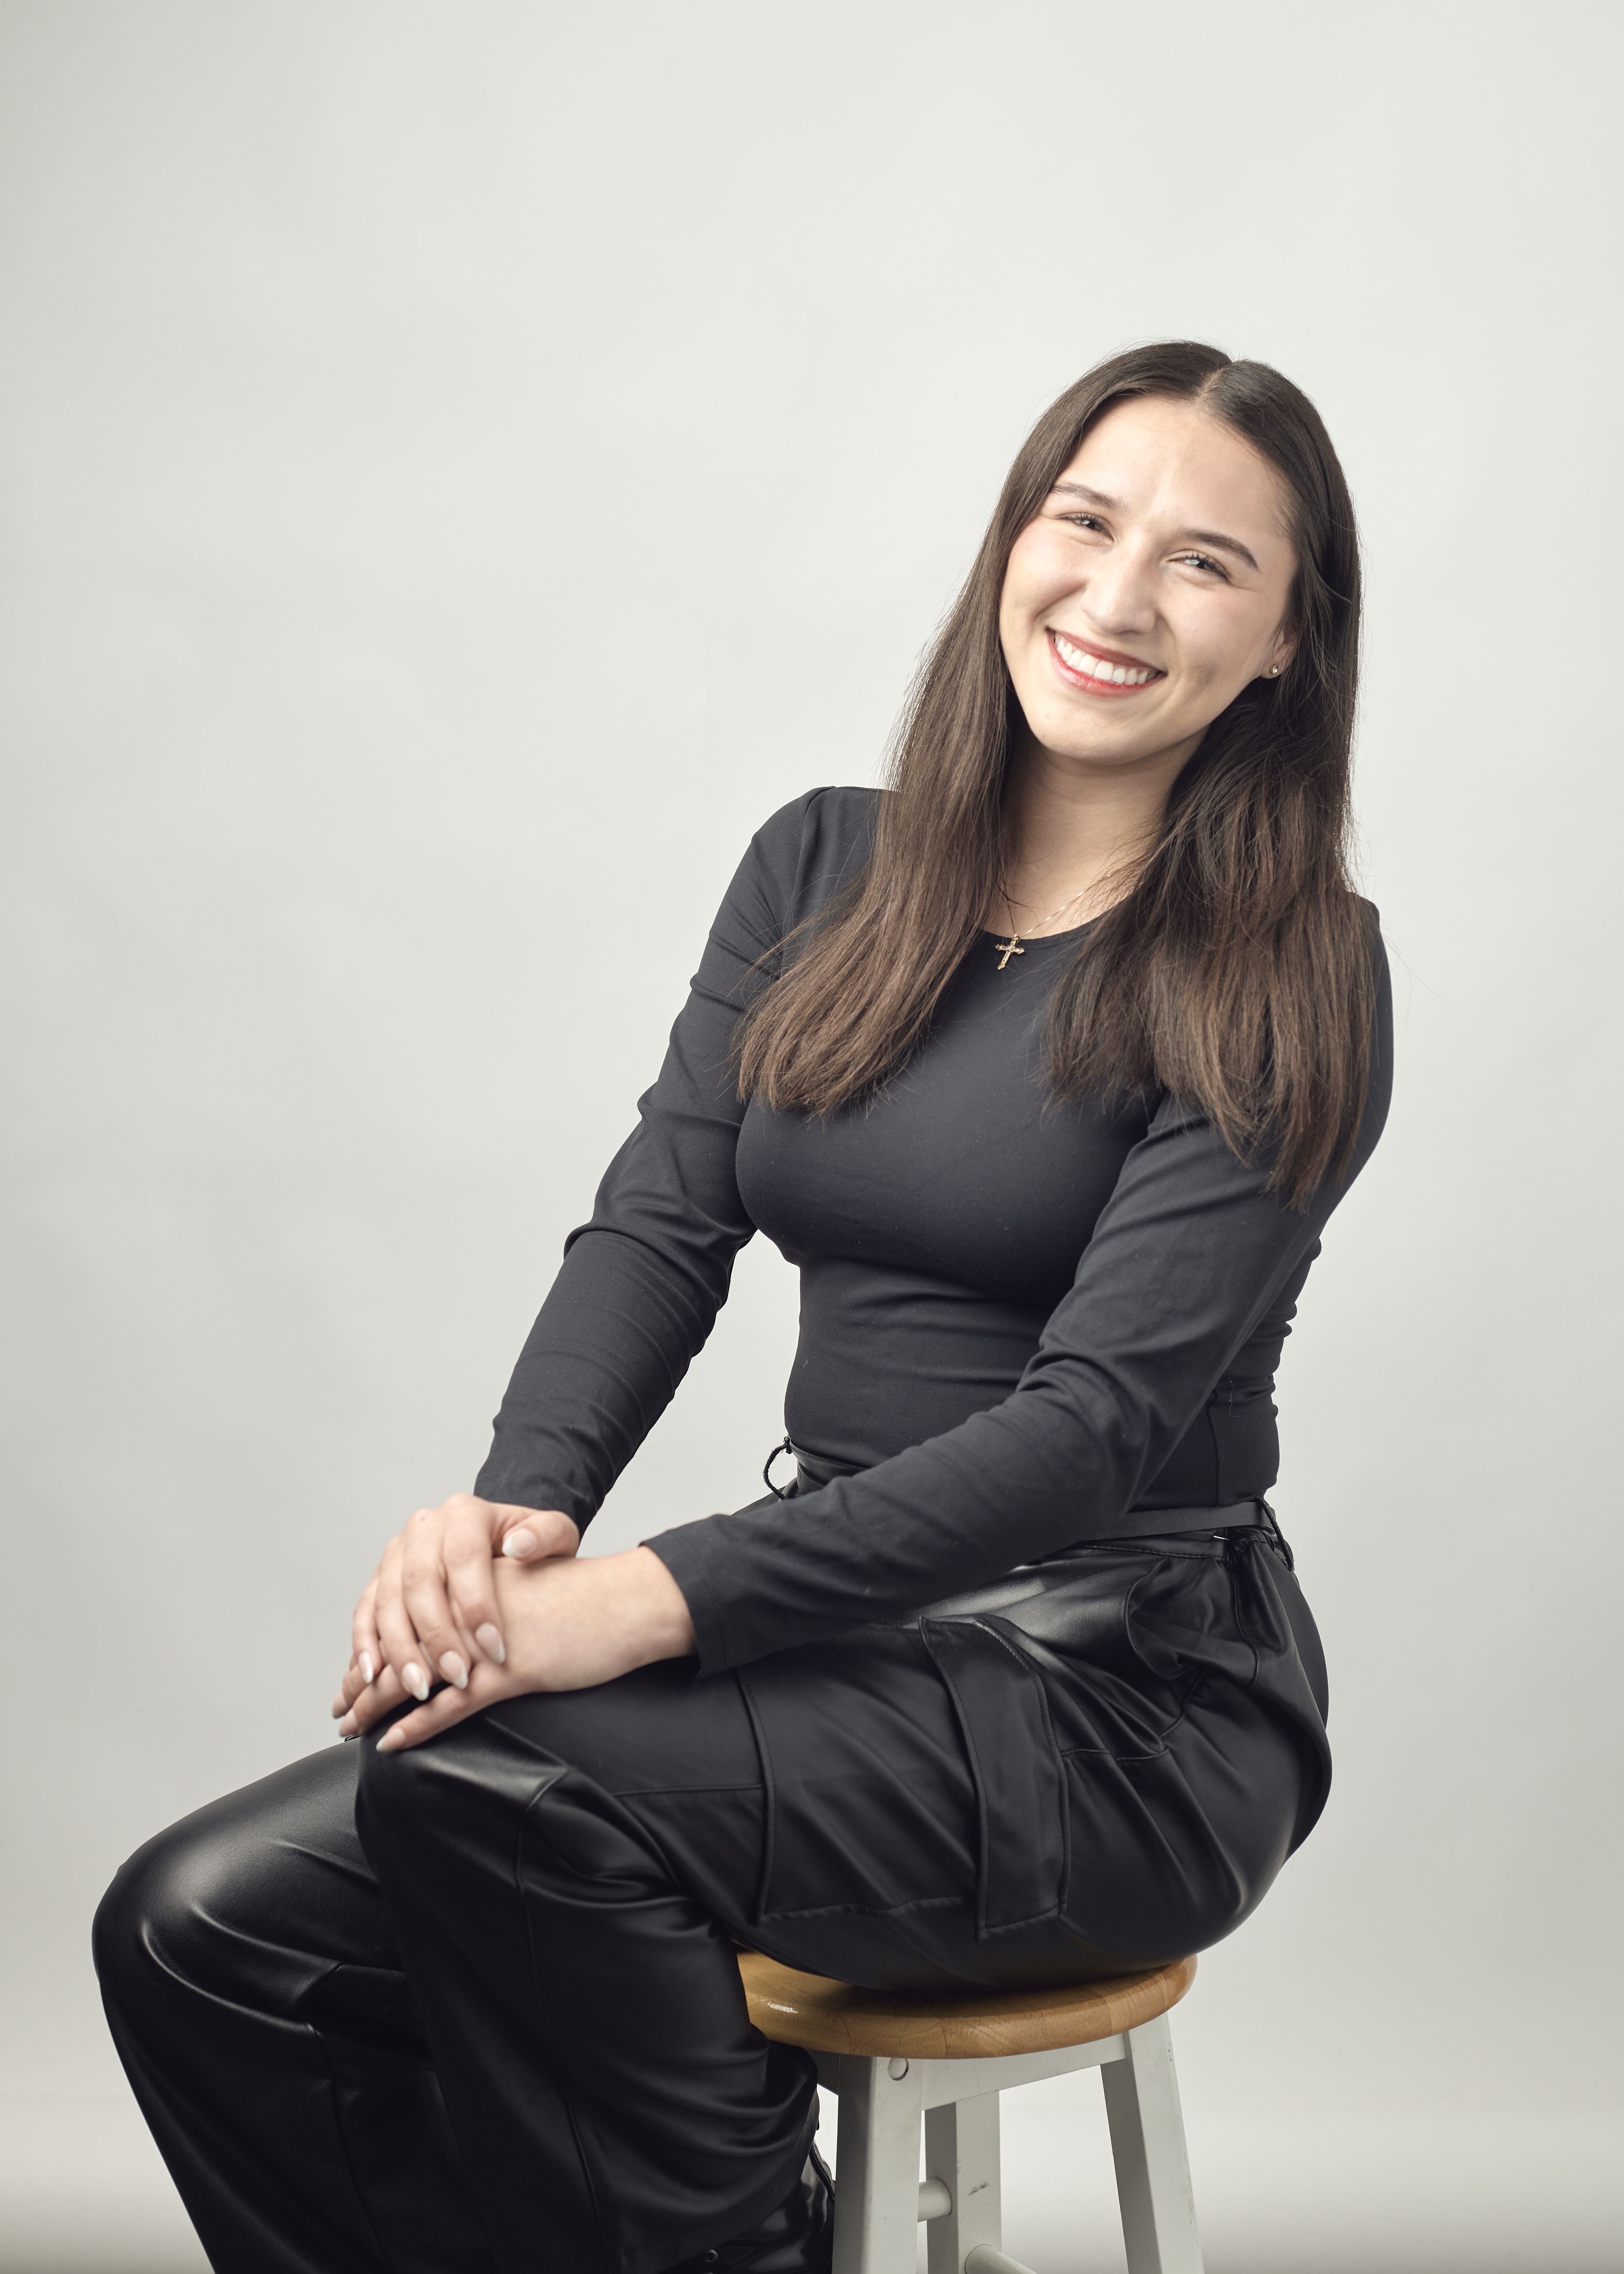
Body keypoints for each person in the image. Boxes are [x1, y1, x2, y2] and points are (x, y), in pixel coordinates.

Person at [94, 339, 1392, 2274]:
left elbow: (1082, 1440)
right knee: (205, 1924)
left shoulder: (1295, 972)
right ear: (1012, 544)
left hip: (1116, 1697)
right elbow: (657, 1227)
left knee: (507, 1798)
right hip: (834, 1631)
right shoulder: (823, 862)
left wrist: (639, 1596)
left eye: (1208, 564)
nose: (1118, 600)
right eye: (1087, 522)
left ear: (1288, 640)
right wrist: (511, 1519)